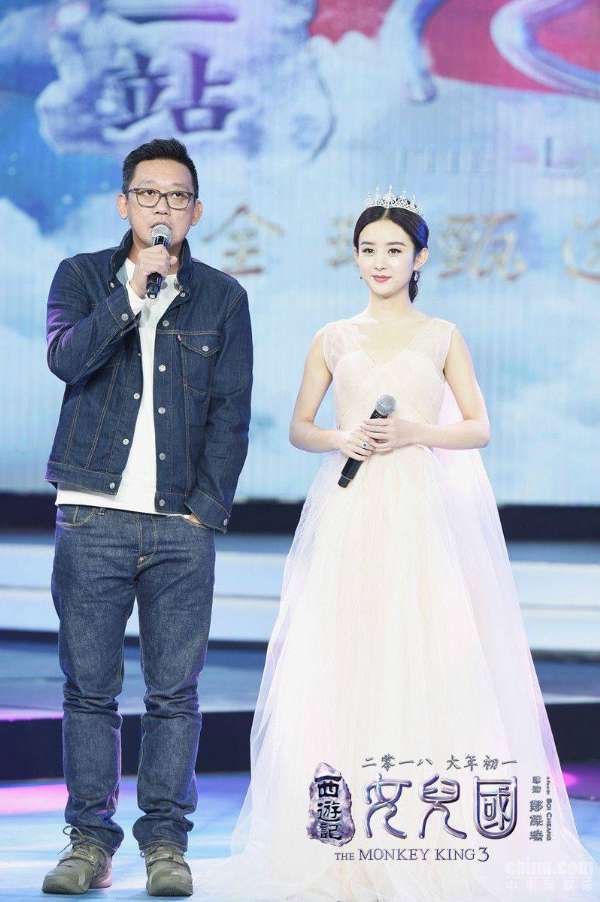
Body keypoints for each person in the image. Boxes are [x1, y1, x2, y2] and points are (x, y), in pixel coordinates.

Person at [191, 189, 599, 901]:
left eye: (394, 250)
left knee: (426, 652)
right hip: (350, 509)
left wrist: (416, 432)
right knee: (345, 655)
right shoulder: (333, 337)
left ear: (420, 259)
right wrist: (340, 436)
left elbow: (478, 427)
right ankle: (338, 835)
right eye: (369, 249)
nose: (380, 262)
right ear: (354, 258)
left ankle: (424, 827)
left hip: (423, 511)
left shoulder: (442, 335)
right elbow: (301, 426)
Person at [41, 137, 253, 897]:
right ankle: (88, 843)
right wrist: (132, 293)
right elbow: (66, 360)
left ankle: (166, 843)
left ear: (196, 211)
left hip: (178, 526)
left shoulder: (223, 297)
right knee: (88, 690)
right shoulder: (80, 277)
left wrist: (204, 512)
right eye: (149, 194)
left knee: (173, 693)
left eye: (177, 196)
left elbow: (231, 414)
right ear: (124, 203)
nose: (163, 207)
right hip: (91, 514)